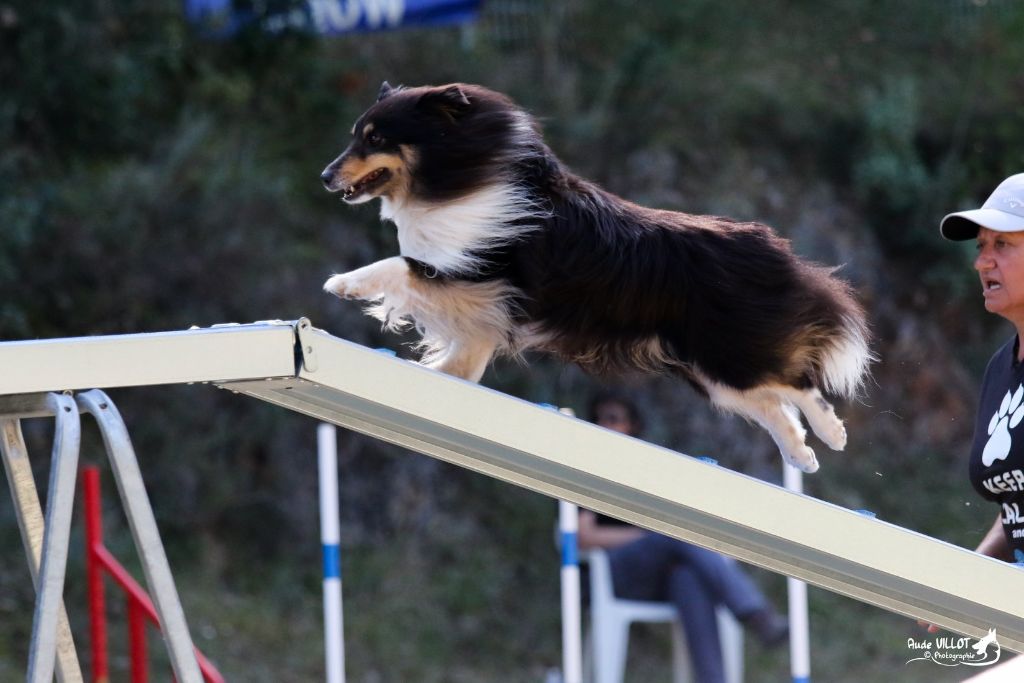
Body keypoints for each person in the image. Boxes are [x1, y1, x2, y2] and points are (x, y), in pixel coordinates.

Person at [577, 390, 788, 683]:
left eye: (613, 419)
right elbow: (584, 536)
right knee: (675, 535)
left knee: (689, 578)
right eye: (599, 419)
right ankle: (756, 614)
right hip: (609, 574)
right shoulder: (587, 467)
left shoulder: (647, 471)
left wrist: (659, 538)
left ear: (633, 426)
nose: (604, 425)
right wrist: (645, 537)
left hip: (658, 574)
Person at [939, 173, 1024, 589]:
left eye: (1002, 245)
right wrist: (970, 575)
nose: (981, 261)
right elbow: (1016, 509)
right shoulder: (997, 370)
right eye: (981, 247)